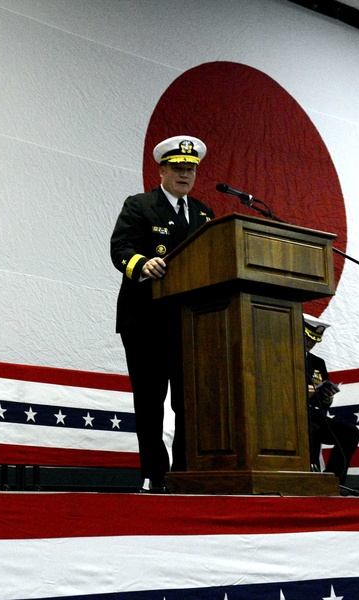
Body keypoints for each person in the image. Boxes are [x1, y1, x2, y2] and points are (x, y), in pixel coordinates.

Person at [110, 136, 215, 493]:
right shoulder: (140, 205)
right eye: (178, 168)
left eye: (191, 169)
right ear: (162, 171)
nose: (185, 175)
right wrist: (142, 263)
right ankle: (155, 475)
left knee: (190, 400)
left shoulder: (204, 214)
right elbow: (120, 248)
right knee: (150, 401)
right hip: (146, 320)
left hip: (189, 323)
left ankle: (186, 474)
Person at [304, 314, 359, 494]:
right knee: (311, 430)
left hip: (315, 413)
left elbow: (322, 397)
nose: (311, 344)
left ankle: (334, 480)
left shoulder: (317, 363)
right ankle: (311, 477)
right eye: (308, 338)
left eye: (315, 341)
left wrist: (327, 397)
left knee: (351, 433)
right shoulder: (283, 357)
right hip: (292, 415)